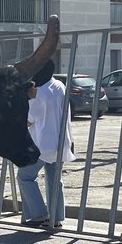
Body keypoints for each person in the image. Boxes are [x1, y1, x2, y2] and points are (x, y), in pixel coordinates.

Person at [18, 59, 75, 229]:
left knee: (25, 176)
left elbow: (28, 120)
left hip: (42, 144)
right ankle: (55, 220)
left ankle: (39, 214)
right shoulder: (59, 85)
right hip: (61, 142)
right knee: (54, 181)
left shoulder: (38, 92)